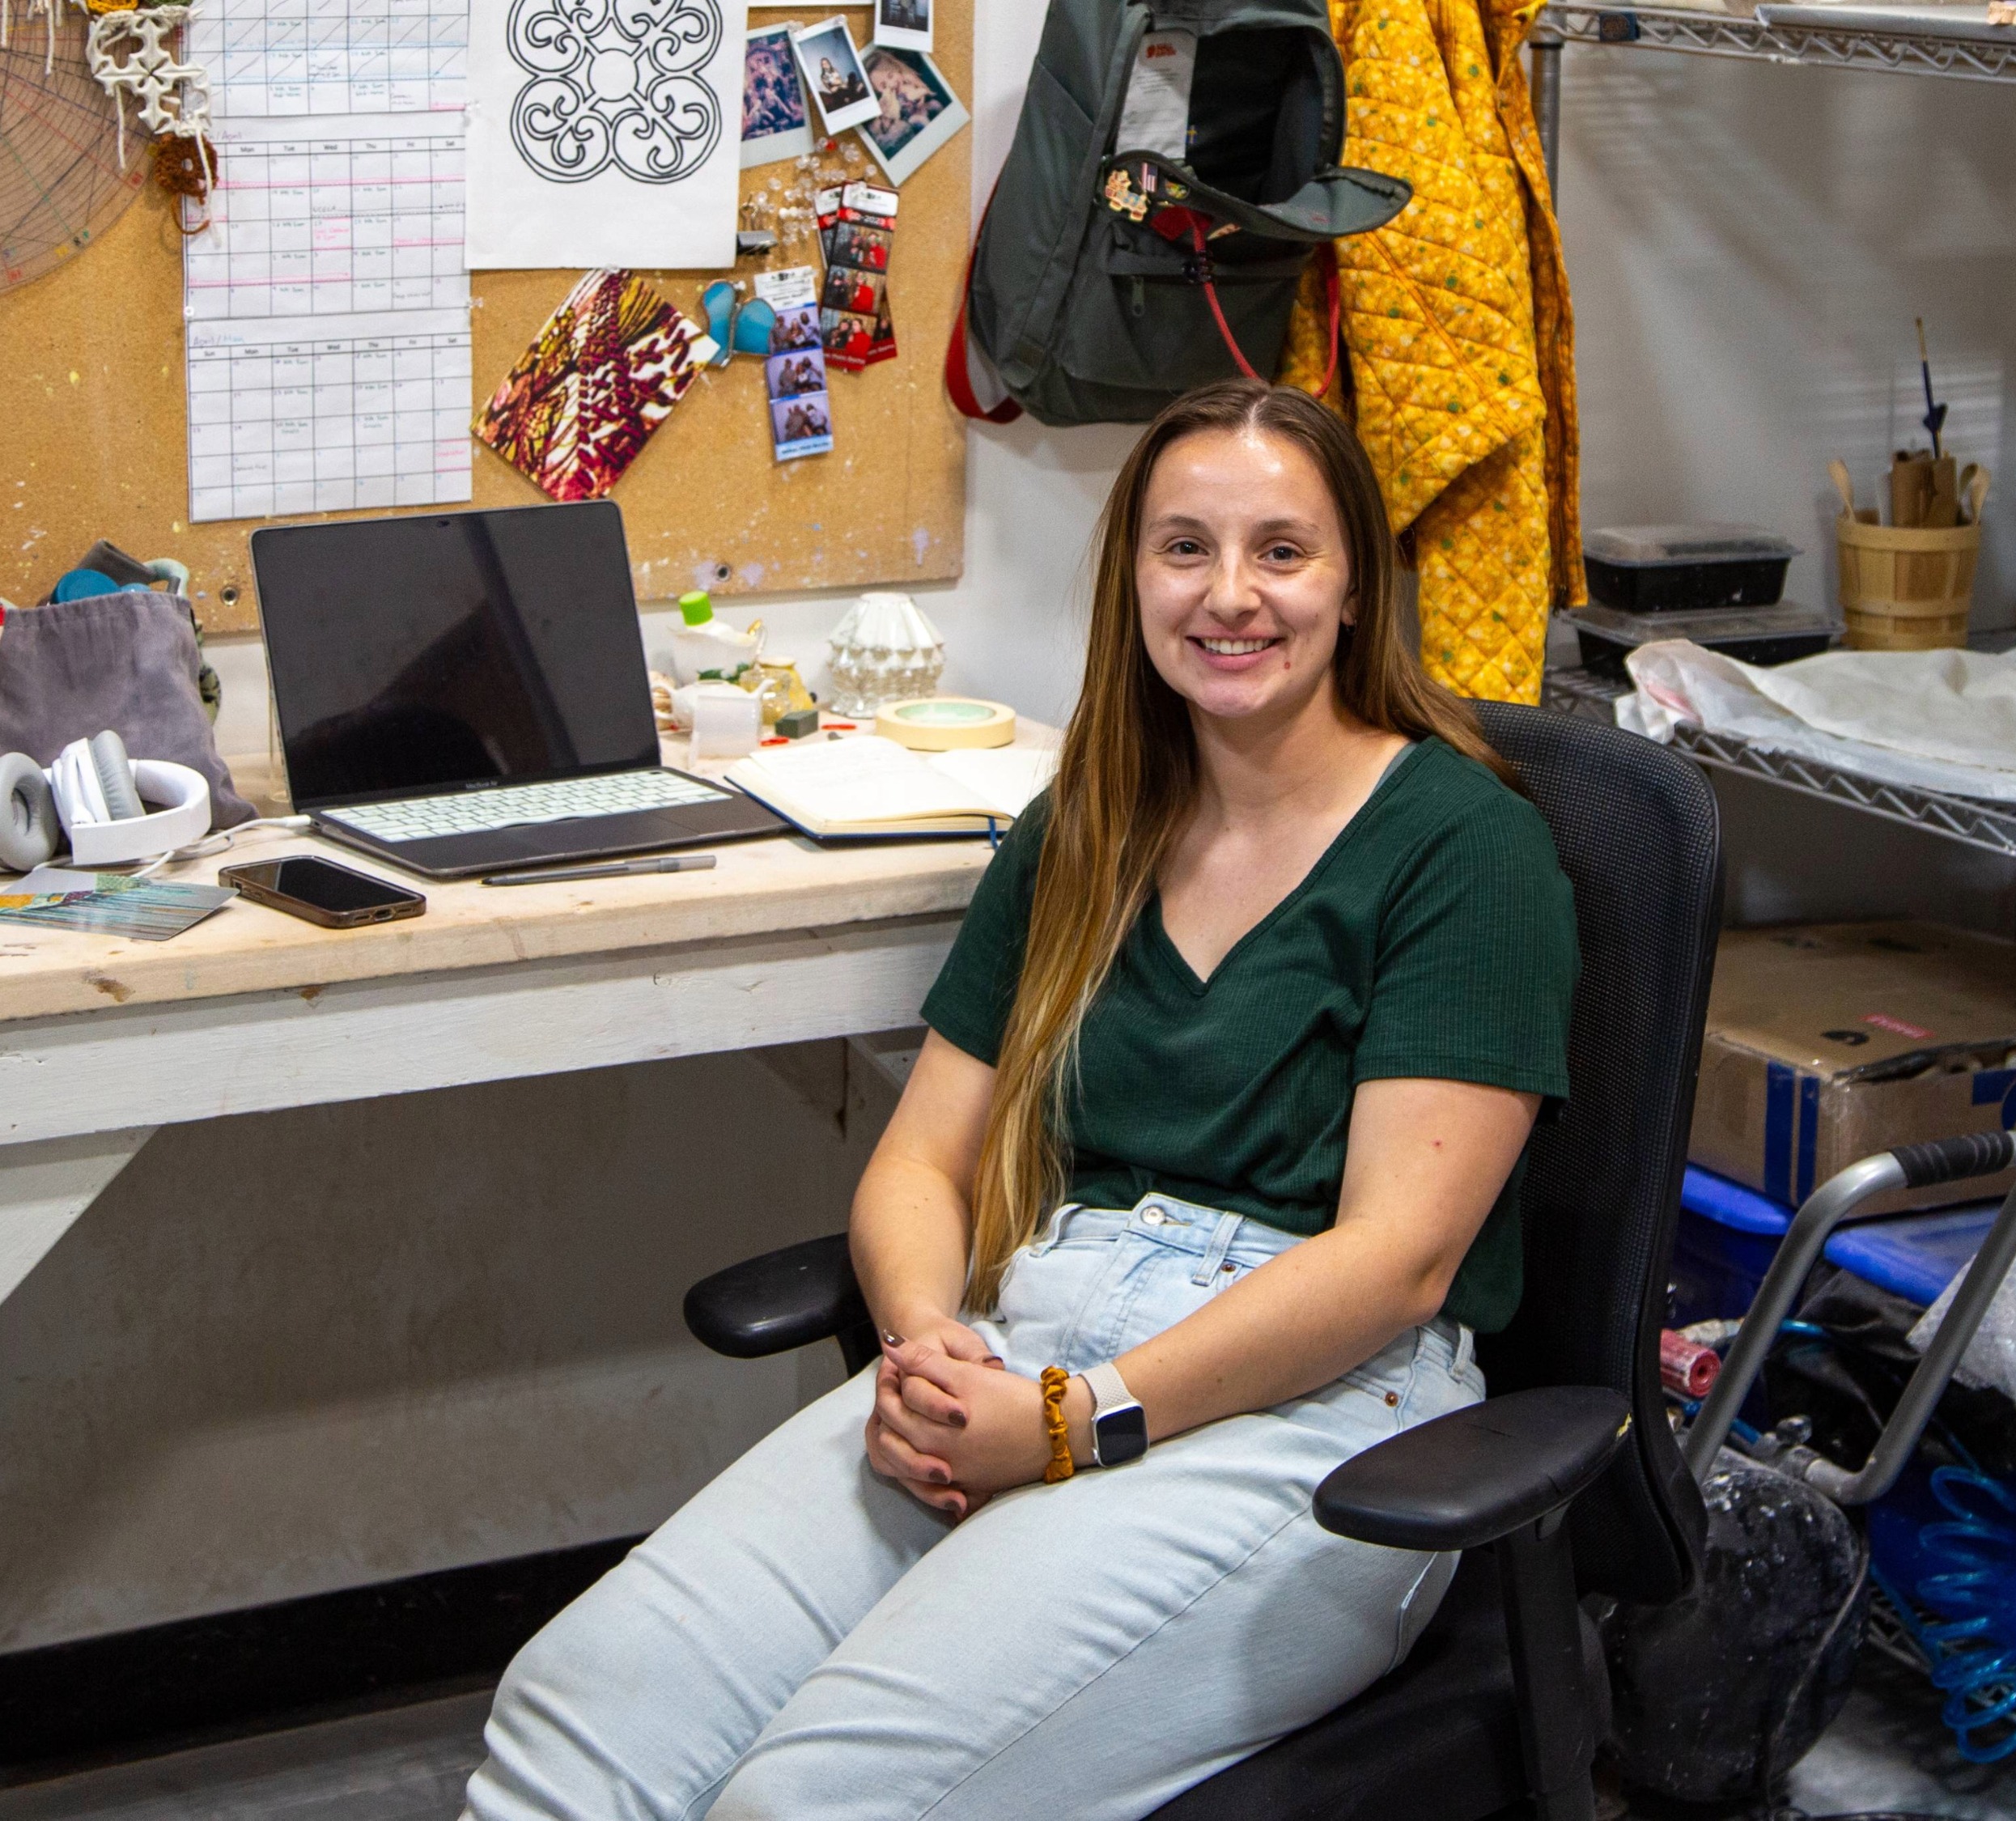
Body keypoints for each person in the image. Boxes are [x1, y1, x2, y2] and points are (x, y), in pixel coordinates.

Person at [459, 380, 1580, 1821]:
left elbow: (1397, 1261)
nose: (1230, 595)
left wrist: (1074, 1420)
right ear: (1132, 577)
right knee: (576, 1706)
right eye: (1184, 548)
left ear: (1357, 582)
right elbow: (921, 1162)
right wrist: (933, 1357)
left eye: (1282, 551)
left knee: (799, 1804)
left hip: (1316, 1405)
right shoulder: (1089, 820)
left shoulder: (1465, 848)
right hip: (1028, 1338)